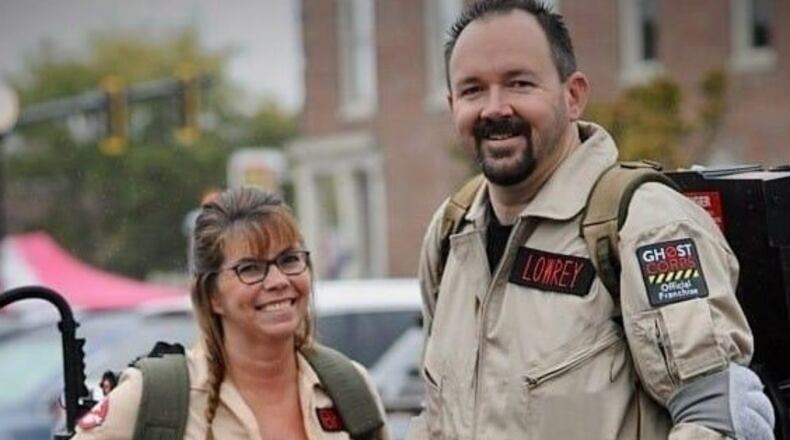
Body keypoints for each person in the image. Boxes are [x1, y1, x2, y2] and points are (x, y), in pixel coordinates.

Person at [408, 1, 774, 439]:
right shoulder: (452, 235)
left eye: (519, 83)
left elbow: (719, 421)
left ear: (573, 95)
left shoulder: (646, 227)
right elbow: (437, 418)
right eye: (472, 90)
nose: (494, 108)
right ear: (453, 106)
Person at [75, 187, 390, 439]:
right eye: (250, 268)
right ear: (212, 295)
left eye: (290, 260)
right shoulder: (155, 399)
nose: (279, 281)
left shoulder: (349, 388)